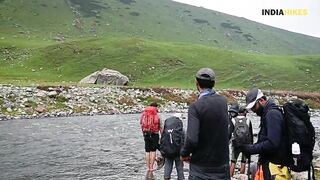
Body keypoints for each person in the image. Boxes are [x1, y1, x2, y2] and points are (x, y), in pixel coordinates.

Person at [180, 68, 230, 179]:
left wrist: (184, 154)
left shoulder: (195, 107)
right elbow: (228, 130)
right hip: (222, 166)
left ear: (197, 84)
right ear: (214, 83)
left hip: (201, 168)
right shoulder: (223, 102)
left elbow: (192, 139)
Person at [240, 88, 288, 180]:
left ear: (261, 100)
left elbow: (272, 144)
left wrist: (251, 149)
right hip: (271, 165)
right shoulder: (267, 113)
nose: (253, 110)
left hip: (274, 166)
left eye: (254, 106)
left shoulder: (272, 114)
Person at [229, 106, 253, 177]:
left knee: (233, 161)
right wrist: (251, 145)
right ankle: (241, 177)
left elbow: (230, 132)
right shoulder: (248, 120)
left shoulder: (233, 120)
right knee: (243, 161)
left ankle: (231, 176)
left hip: (235, 144)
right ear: (244, 112)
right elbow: (250, 134)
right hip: (246, 144)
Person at [161, 113, 185, 180]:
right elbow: (184, 138)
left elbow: (163, 137)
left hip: (167, 149)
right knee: (179, 166)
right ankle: (181, 178)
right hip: (178, 150)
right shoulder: (180, 128)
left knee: (168, 164)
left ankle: (166, 177)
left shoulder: (167, 126)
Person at [140, 102, 161, 173]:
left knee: (147, 151)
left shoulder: (144, 114)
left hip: (146, 133)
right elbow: (160, 126)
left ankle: (148, 167)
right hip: (154, 134)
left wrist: (144, 134)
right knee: (153, 151)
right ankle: (151, 167)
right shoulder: (156, 114)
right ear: (156, 107)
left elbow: (141, 124)